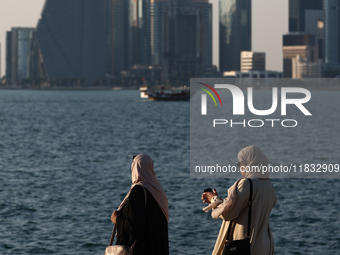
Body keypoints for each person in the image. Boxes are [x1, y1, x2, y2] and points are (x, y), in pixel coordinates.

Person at [201, 145, 276, 255]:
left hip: (245, 246)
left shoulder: (247, 183)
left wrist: (214, 200)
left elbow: (228, 213)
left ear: (249, 163)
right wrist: (221, 202)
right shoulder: (270, 187)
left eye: (240, 163)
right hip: (265, 246)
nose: (239, 167)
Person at [111, 154, 169, 255]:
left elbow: (134, 227)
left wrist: (117, 219)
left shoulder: (138, 191)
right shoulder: (159, 193)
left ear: (135, 168)